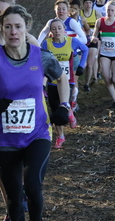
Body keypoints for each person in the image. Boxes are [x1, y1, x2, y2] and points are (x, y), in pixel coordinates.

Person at [0, 5, 70, 221]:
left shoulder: (41, 57)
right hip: (6, 139)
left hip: (38, 134)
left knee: (33, 187)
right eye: (8, 27)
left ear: (26, 29)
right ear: (1, 29)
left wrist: (64, 105)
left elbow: (62, 78)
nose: (13, 32)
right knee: (14, 200)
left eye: (18, 26)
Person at [41, 19, 88, 148]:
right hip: (52, 82)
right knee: (55, 108)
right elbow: (41, 61)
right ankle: (60, 136)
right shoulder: (46, 44)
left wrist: (81, 66)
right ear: (50, 31)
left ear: (64, 30)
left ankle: (68, 112)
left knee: (64, 104)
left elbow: (85, 49)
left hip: (68, 81)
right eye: (54, 29)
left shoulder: (72, 41)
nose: (57, 31)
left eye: (59, 28)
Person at [81, 0, 102, 91]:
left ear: (92, 4)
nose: (88, 5)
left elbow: (102, 25)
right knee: (82, 64)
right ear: (83, 4)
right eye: (86, 3)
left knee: (90, 64)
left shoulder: (96, 13)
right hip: (82, 41)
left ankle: (86, 84)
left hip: (93, 40)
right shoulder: (80, 14)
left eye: (90, 3)